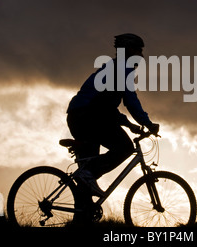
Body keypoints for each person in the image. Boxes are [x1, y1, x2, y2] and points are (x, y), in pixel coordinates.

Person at [66, 33, 159, 221]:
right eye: (138, 50)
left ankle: (81, 220)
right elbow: (130, 101)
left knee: (87, 176)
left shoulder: (113, 68)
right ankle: (87, 174)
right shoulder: (121, 69)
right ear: (128, 50)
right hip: (88, 116)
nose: (141, 54)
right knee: (124, 147)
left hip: (81, 116)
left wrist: (130, 124)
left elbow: (105, 106)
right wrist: (147, 122)